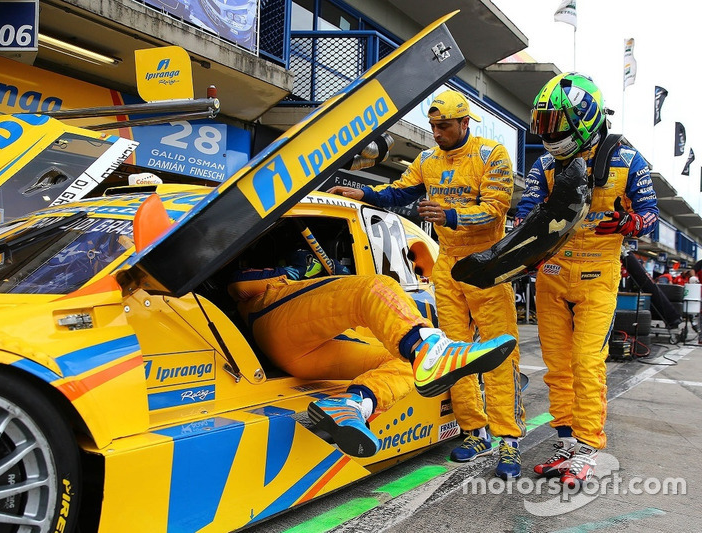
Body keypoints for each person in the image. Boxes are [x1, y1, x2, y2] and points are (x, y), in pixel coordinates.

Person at [327, 90, 525, 478]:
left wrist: (450, 215)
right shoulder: (427, 160)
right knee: (452, 353)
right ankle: (474, 431)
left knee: (501, 353)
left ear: (465, 122)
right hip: (448, 268)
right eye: (433, 126)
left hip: (487, 264)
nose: (436, 133)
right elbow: (400, 191)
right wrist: (363, 192)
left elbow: (496, 209)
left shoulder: (492, 155)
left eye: (444, 126)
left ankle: (509, 441)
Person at [228, 248, 516, 458]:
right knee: (375, 286)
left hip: (309, 354)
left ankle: (354, 404)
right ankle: (431, 348)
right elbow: (238, 285)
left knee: (408, 362)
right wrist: (295, 269)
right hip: (271, 324)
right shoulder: (281, 274)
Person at [517, 73, 658, 487]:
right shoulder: (543, 164)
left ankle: (588, 447)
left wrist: (630, 221)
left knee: (587, 363)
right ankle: (566, 443)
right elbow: (527, 213)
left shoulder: (628, 160)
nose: (548, 134)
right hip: (552, 276)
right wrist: (521, 253)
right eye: (542, 124)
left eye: (555, 124)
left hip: (599, 276)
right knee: (558, 367)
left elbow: (650, 214)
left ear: (584, 119)